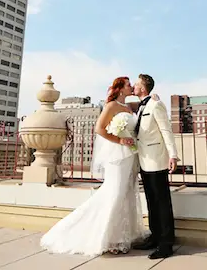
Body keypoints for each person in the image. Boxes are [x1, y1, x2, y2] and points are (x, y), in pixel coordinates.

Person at [40, 76, 149, 256]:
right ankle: (110, 238)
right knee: (115, 193)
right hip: (117, 155)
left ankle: (124, 235)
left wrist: (152, 98)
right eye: (129, 85)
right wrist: (120, 139)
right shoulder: (111, 106)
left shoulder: (128, 107)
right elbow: (99, 129)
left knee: (127, 193)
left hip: (130, 155)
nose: (132, 87)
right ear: (120, 89)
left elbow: (144, 105)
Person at [132, 73, 179, 259]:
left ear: (143, 87)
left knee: (162, 202)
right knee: (151, 201)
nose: (134, 87)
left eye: (136, 84)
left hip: (157, 160)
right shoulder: (141, 105)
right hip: (144, 160)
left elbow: (166, 131)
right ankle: (155, 236)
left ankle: (166, 244)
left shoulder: (156, 105)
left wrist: (173, 155)